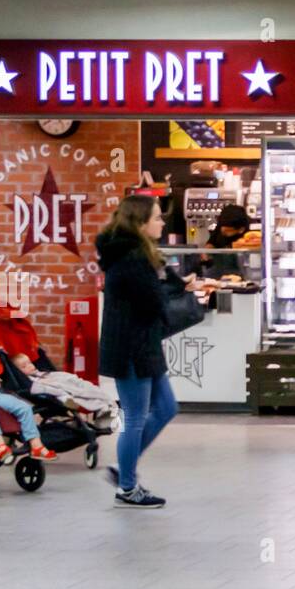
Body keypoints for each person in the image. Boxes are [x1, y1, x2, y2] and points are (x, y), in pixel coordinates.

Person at [96, 195, 210, 508]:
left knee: (166, 407)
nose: (162, 222)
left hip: (144, 344)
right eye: (157, 218)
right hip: (130, 347)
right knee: (134, 418)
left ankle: (124, 469)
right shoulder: (130, 258)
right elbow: (152, 300)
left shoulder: (142, 255)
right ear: (141, 222)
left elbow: (157, 289)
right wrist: (178, 290)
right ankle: (127, 487)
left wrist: (177, 284)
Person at [201, 203, 252, 281]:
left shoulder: (251, 232)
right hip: (218, 270)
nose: (223, 232)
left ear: (240, 230)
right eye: (222, 228)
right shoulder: (222, 225)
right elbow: (211, 243)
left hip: (241, 272)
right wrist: (205, 253)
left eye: (228, 231)